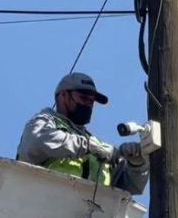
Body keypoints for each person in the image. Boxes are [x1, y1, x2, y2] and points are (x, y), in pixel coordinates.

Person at [16, 72, 149, 195]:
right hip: (47, 206)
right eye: (83, 98)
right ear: (63, 95)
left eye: (91, 102)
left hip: (89, 215)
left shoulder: (96, 145)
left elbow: (131, 187)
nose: (88, 105)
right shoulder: (45, 121)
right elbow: (36, 141)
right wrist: (88, 146)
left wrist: (136, 164)